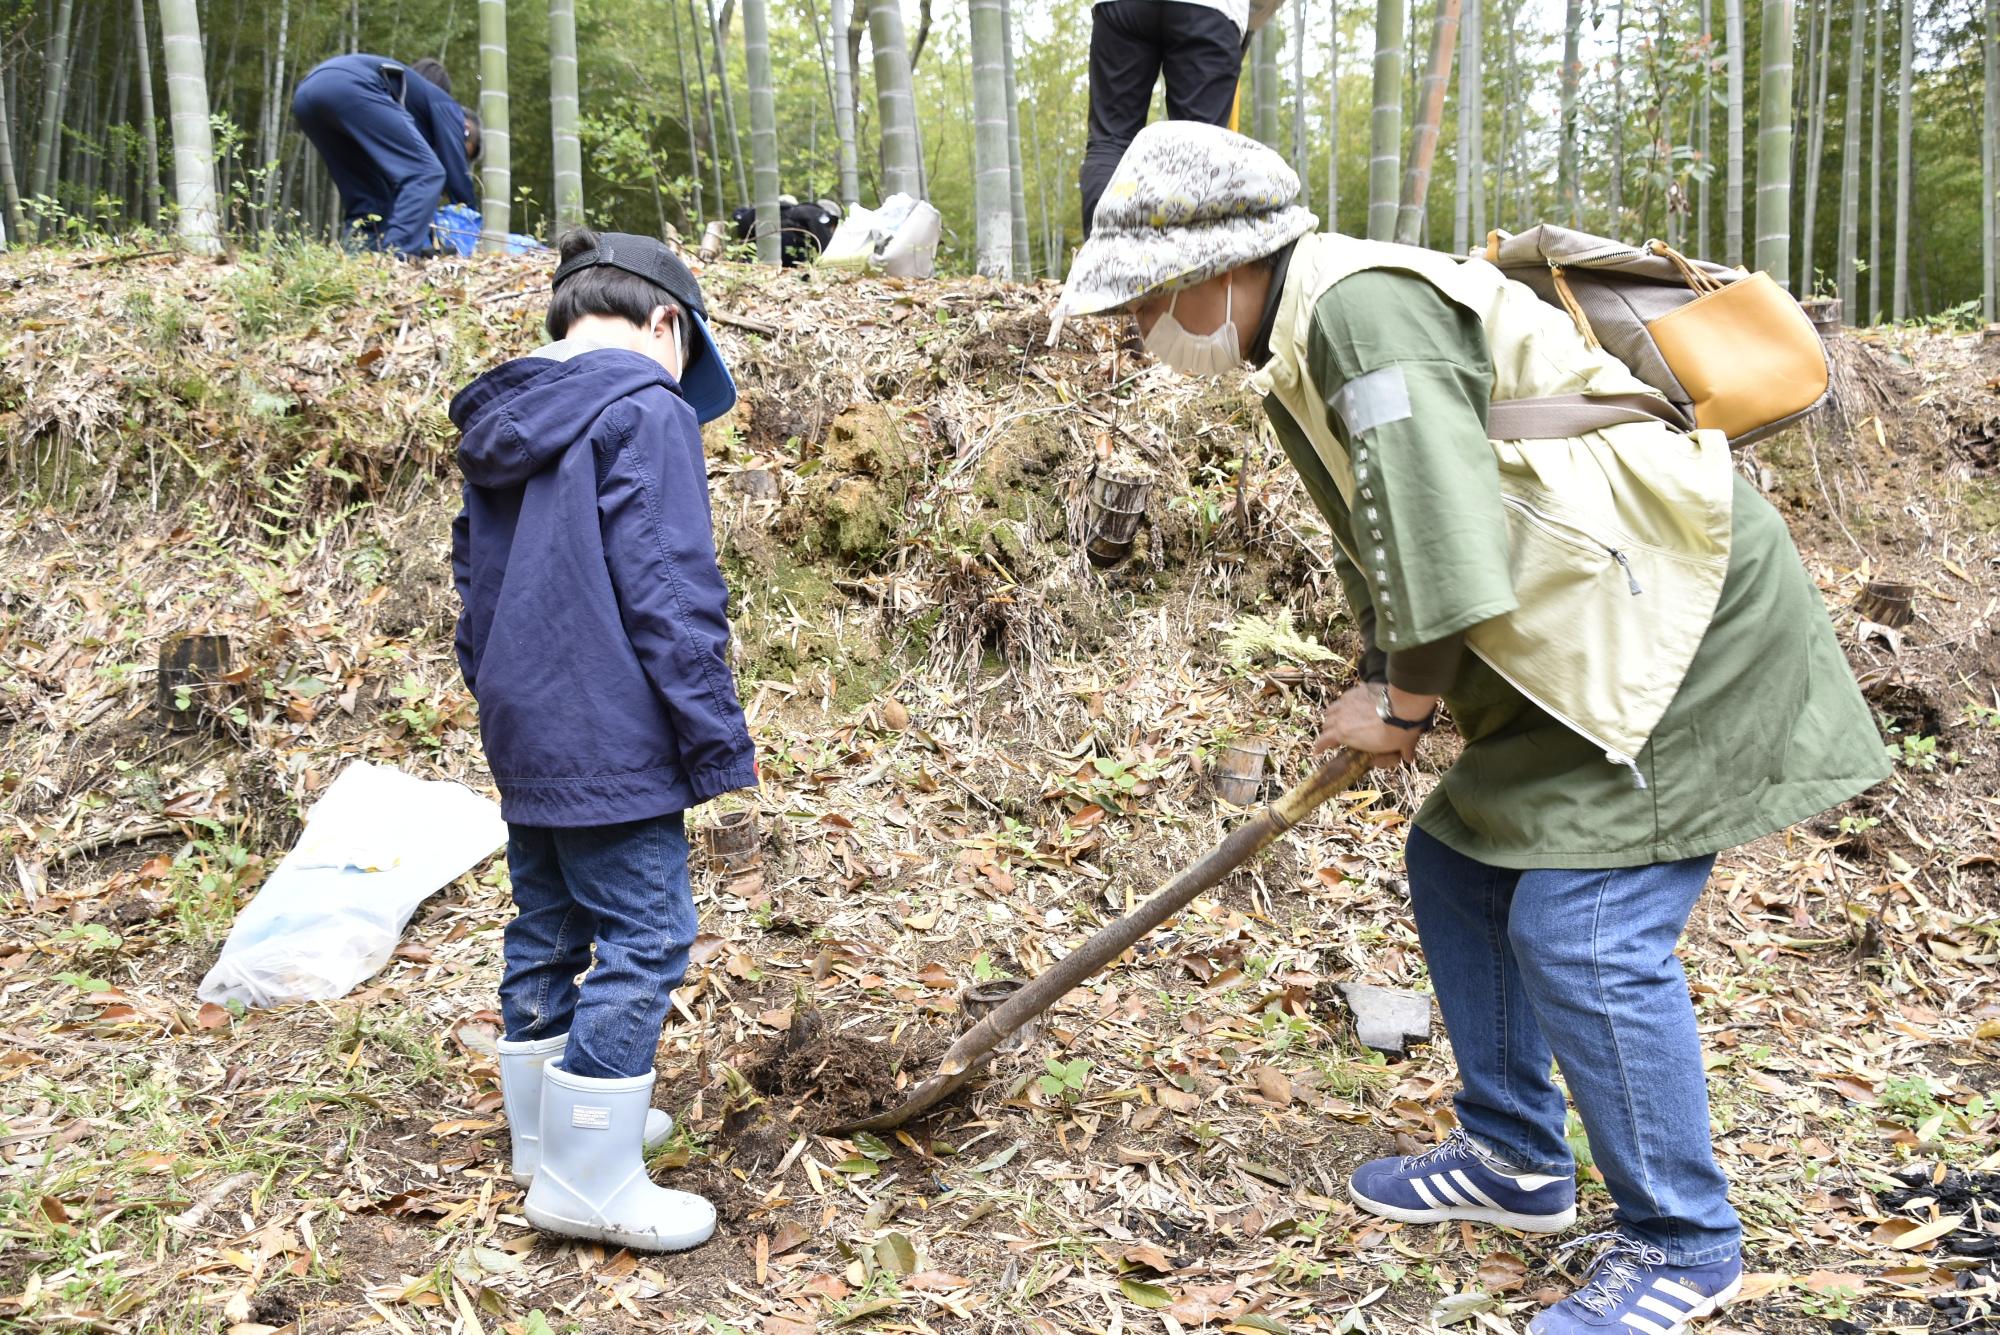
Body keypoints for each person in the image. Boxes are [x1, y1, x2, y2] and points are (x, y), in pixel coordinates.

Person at [1056, 122, 1888, 1335]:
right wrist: (1386, 679)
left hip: (1672, 630)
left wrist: (1401, 705)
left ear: (1216, 270)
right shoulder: (1298, 330)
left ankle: (1683, 1244)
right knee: (1455, 862)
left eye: (1141, 308)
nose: (1140, 336)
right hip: (1584, 627)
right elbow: (1385, 533)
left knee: (1584, 931)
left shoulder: (1357, 313)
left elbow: (1435, 523)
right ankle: (1515, 1162)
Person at [448, 229, 755, 1252]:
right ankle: (586, 1178)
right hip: (610, 726)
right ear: (667, 323)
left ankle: (546, 1132)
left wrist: (500, 699)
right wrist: (712, 735)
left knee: (546, 925)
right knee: (646, 935)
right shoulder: (644, 408)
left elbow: (472, 591)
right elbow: (670, 586)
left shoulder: (502, 418)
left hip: (523, 720)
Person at [1078, 0, 1279, 237]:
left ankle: (1101, 257)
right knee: (1198, 148)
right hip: (1212, 9)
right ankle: (1185, 267)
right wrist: (1249, 19)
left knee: (1110, 141)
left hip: (1121, 7)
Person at [292, 54, 481, 257]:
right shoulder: (448, 107)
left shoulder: (406, 105)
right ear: (466, 128)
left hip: (306, 94)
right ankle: (395, 262)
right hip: (349, 85)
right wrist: (473, 221)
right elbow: (455, 177)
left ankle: (357, 268)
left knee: (371, 204)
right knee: (426, 174)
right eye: (464, 153)